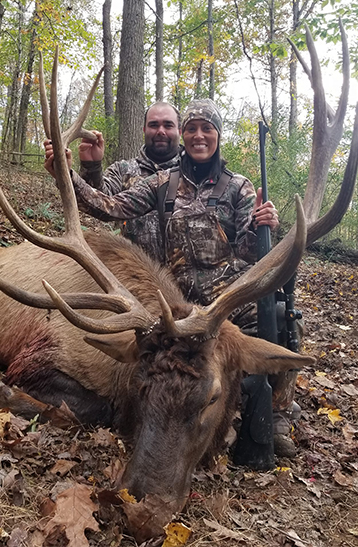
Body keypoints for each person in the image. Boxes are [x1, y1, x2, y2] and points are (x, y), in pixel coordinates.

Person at [48, 98, 299, 458]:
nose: (199, 136)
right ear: (184, 135)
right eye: (192, 129)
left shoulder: (239, 187)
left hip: (225, 304)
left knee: (281, 320)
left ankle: (275, 415)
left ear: (217, 136)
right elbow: (110, 207)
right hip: (176, 303)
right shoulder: (162, 182)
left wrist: (264, 225)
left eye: (207, 129)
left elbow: (247, 252)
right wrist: (66, 173)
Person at [44, 102, 183, 263]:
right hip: (133, 277)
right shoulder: (124, 170)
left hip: (185, 282)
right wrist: (90, 167)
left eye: (168, 125)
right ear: (144, 129)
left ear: (179, 130)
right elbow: (101, 202)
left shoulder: (193, 173)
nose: (160, 131)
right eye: (153, 125)